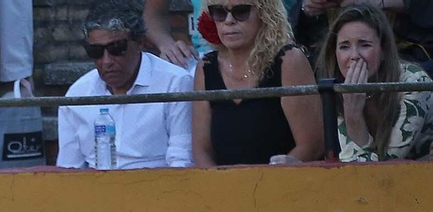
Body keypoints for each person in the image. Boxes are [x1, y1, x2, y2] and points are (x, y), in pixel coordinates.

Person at [57, 0, 193, 170]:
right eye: (96, 52)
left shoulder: (174, 82)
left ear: (140, 43)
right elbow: (69, 168)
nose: (106, 61)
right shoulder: (77, 94)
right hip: (97, 189)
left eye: (117, 48)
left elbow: (182, 160)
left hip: (159, 187)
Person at [192, 0, 322, 165]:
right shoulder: (206, 67)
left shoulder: (289, 60)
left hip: (282, 182)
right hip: (223, 186)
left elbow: (312, 145)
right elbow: (201, 150)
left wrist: (263, 181)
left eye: (241, 11)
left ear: (264, 15)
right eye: (219, 12)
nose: (229, 20)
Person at [319, 3, 432, 162]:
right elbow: (352, 165)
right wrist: (351, 110)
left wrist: (353, 116)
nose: (354, 56)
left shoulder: (414, 83)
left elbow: (385, 168)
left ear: (384, 50)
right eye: (344, 46)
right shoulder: (335, 87)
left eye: (364, 45)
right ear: (335, 53)